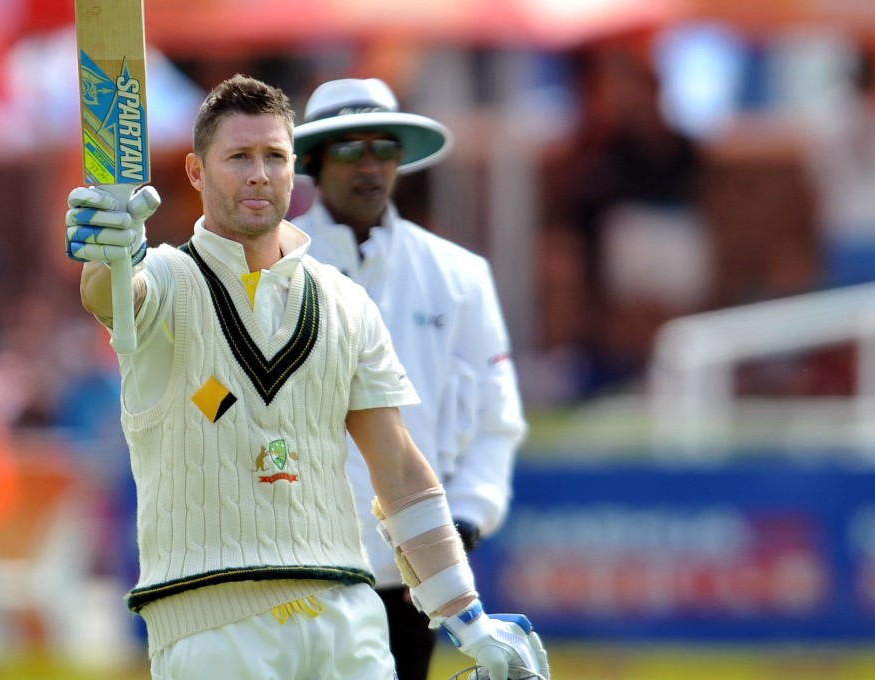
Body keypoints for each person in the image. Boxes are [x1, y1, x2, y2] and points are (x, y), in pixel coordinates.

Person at [63, 74, 549, 680]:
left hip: (347, 612)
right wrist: (108, 252)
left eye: (273, 156)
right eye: (239, 157)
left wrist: (468, 619)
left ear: (295, 168)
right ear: (195, 172)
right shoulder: (165, 279)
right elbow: (112, 295)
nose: (259, 174)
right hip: (212, 621)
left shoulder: (345, 302)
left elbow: (398, 467)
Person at [290, 78, 528, 680]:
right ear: (313, 161)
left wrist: (465, 518)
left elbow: (497, 420)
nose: (370, 166)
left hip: (410, 580)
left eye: (385, 148)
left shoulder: (459, 275)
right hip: (297, 571)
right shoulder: (272, 271)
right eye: (349, 149)